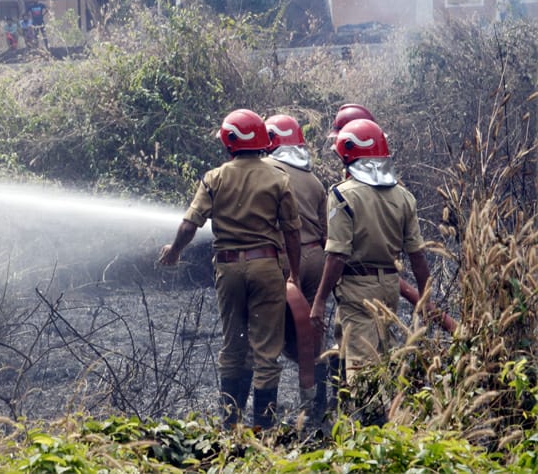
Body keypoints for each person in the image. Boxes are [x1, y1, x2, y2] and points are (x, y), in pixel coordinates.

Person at [159, 109, 303, 430]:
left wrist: (174, 251)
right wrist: (293, 273)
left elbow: (189, 224)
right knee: (266, 351)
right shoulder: (279, 179)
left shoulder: (215, 178)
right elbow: (292, 232)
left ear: (229, 141)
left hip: (228, 270)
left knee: (233, 345)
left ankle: (230, 427)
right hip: (267, 268)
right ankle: (264, 431)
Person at [308, 119, 430, 421]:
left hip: (356, 290)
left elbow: (336, 256)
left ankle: (369, 438)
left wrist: (320, 299)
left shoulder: (342, 194)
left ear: (349, 155)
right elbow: (417, 255)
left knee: (363, 374)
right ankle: (345, 425)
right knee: (371, 354)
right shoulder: (404, 196)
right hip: (388, 288)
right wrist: (425, 299)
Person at [264, 114, 329, 423]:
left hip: (283, 259)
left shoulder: (268, 171)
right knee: (313, 336)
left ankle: (265, 414)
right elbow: (327, 232)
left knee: (270, 335)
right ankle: (316, 407)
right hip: (317, 256)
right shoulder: (314, 180)